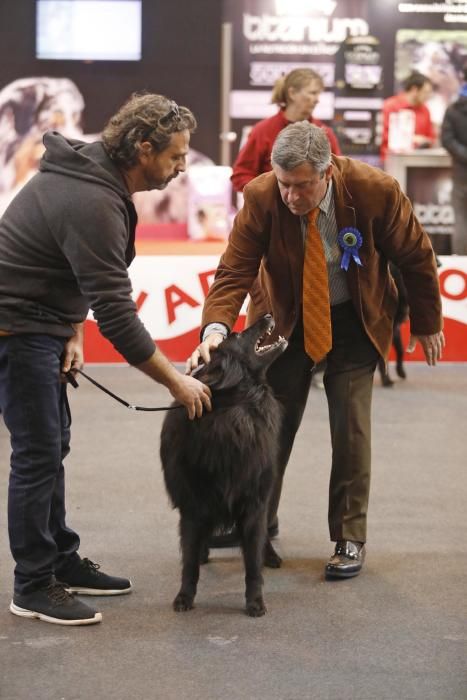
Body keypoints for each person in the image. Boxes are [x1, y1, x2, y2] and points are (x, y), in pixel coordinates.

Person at [188, 121, 444, 579]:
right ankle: (258, 520)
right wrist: (214, 328)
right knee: (269, 428)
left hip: (355, 319)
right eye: (285, 184)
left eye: (302, 186)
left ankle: (349, 536)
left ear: (327, 173)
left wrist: (426, 322)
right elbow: (233, 270)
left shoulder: (374, 190)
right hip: (284, 323)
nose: (290, 196)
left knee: (350, 429)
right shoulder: (262, 196)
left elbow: (415, 255)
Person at [0, 92, 212, 626]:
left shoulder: (97, 181)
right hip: (15, 329)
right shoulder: (91, 200)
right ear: (143, 148)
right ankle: (32, 585)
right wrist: (175, 384)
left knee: (53, 445)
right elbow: (116, 314)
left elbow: (70, 269)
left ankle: (60, 558)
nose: (183, 166)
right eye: (176, 156)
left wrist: (72, 329)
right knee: (36, 454)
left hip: (41, 323)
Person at [231, 68, 341, 193]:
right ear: (292, 93)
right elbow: (241, 175)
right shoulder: (263, 131)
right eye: (312, 93)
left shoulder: (325, 133)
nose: (317, 99)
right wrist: (268, 195)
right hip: (271, 211)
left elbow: (338, 175)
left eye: (318, 94)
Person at [441, 65, 467, 255]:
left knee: (461, 221)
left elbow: (448, 140)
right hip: (461, 175)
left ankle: (462, 268)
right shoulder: (453, 108)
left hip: (461, 173)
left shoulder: (454, 108)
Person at [381, 71, 436, 161]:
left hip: (418, 162)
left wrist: (424, 141)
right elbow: (386, 136)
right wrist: (411, 139)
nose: (428, 96)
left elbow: (431, 138)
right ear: (414, 90)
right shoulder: (391, 106)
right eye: (425, 92)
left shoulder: (425, 110)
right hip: (393, 162)